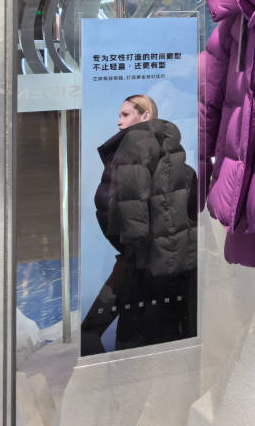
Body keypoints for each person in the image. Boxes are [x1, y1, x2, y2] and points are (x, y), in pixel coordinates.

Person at [80, 94, 197, 354]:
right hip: (180, 272)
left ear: (146, 116)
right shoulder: (182, 164)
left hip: (140, 267)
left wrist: (131, 246)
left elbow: (107, 208)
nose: (119, 121)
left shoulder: (130, 151)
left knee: (128, 343)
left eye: (125, 114)